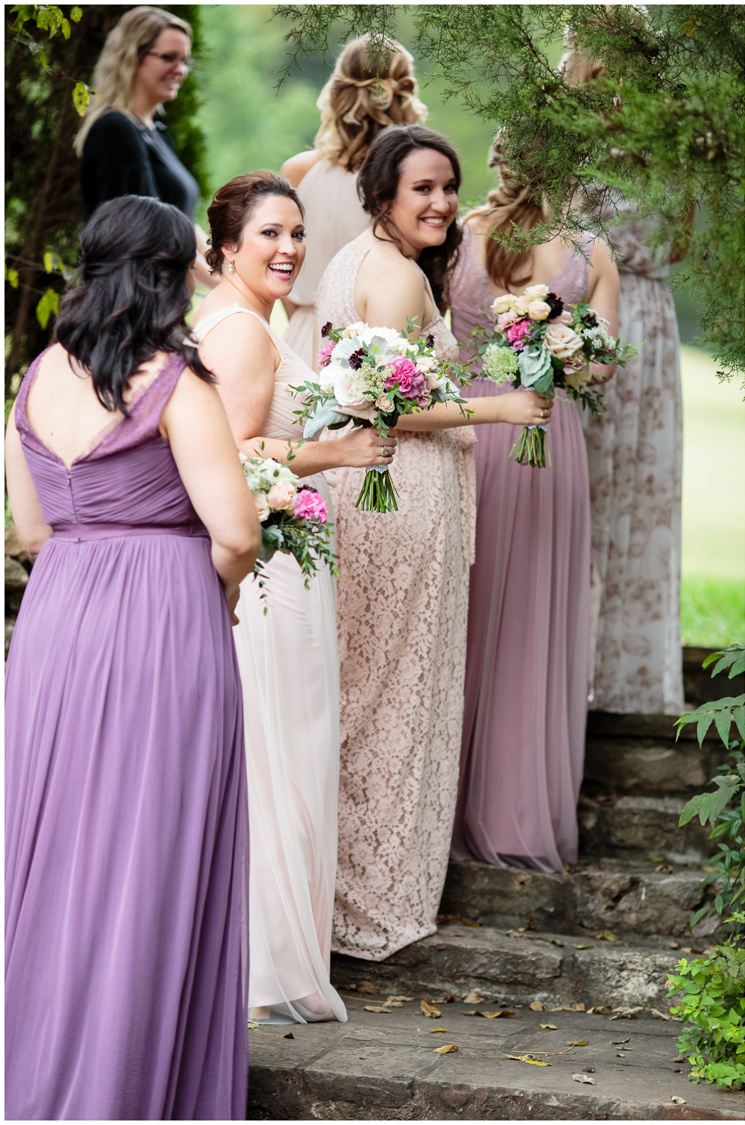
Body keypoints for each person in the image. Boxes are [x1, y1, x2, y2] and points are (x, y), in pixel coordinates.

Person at [4, 195, 260, 1118]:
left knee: (56, 844)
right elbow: (235, 531)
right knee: (148, 848)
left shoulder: (35, 379)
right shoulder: (178, 384)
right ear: (163, 274)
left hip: (58, 618)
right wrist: (213, 591)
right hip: (162, 617)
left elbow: (29, 528)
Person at [315, 124, 552, 960]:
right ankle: (370, 907)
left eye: (449, 187)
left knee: (372, 686)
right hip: (398, 495)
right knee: (394, 694)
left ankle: (346, 890)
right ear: (384, 193)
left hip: (386, 494)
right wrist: (498, 409)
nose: (443, 203)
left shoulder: (357, 261)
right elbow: (380, 405)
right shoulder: (395, 279)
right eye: (423, 188)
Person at [194, 171, 393, 1023]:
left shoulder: (257, 323)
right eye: (269, 234)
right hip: (269, 570)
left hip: (293, 559)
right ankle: (266, 968)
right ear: (226, 247)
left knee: (295, 752)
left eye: (297, 233)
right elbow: (230, 453)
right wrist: (339, 455)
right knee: (277, 757)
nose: (288, 249)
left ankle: (281, 955)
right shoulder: (238, 332)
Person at [447, 132, 621, 872]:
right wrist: (563, 349)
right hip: (548, 432)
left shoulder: (458, 240)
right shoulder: (592, 250)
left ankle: (446, 805)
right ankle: (520, 815)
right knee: (535, 619)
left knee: (465, 611)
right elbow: (604, 367)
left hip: (470, 429)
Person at [562, 39, 686, 715]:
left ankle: (626, 678)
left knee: (640, 491)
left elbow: (688, 237)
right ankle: (572, 666)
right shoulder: (566, 137)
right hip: (590, 316)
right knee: (584, 491)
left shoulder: (665, 139)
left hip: (645, 322)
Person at [279, 35, 427, 369]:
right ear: (405, 91)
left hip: (305, 338)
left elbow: (284, 269)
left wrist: (306, 318)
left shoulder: (298, 170)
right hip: (377, 348)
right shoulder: (413, 177)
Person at [75, 6, 212, 286]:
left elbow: (184, 227)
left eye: (185, 60)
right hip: (130, 306)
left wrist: (230, 275)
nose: (181, 70)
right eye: (169, 58)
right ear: (132, 58)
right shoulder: (115, 131)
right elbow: (153, 233)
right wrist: (229, 287)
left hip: (160, 300)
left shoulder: (156, 133)